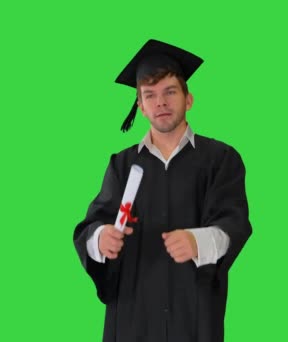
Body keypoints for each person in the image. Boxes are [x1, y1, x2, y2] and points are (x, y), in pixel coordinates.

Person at [73, 39, 253, 342]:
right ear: (140, 106)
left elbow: (235, 223)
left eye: (170, 91)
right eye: (150, 95)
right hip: (133, 317)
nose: (161, 102)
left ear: (188, 99)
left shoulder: (221, 159)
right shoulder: (122, 164)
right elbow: (89, 228)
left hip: (193, 316)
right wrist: (101, 239)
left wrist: (198, 241)